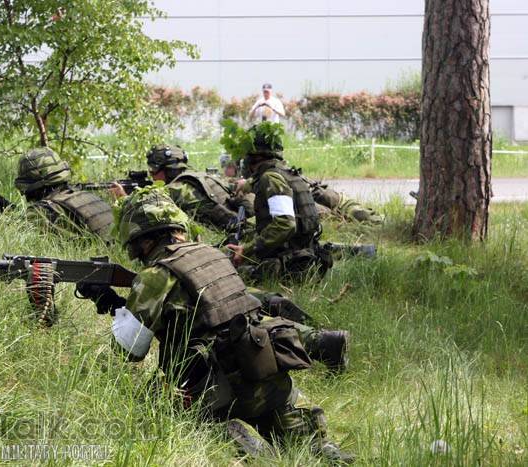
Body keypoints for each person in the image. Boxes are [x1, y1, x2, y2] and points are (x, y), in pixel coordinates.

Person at [75, 188, 354, 461]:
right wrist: (120, 304)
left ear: (142, 240)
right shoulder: (210, 254)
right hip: (269, 374)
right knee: (315, 449)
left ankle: (236, 436)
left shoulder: (155, 275)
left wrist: (110, 304)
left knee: (154, 404)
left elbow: (130, 351)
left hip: (218, 391)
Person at [226, 123, 333, 282]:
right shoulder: (285, 173)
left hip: (288, 267)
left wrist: (246, 249)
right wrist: (247, 185)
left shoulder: (270, 178)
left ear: (253, 158)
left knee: (227, 276)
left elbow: (285, 224)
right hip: (303, 258)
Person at [109, 145, 254, 233]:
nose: (151, 175)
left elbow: (142, 213)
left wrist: (123, 198)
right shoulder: (199, 177)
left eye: (154, 169)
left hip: (239, 234)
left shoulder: (179, 189)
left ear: (169, 169)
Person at [14, 147, 114, 239]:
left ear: (36, 188)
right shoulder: (88, 197)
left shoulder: (44, 211)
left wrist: (4, 214)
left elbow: (17, 233)